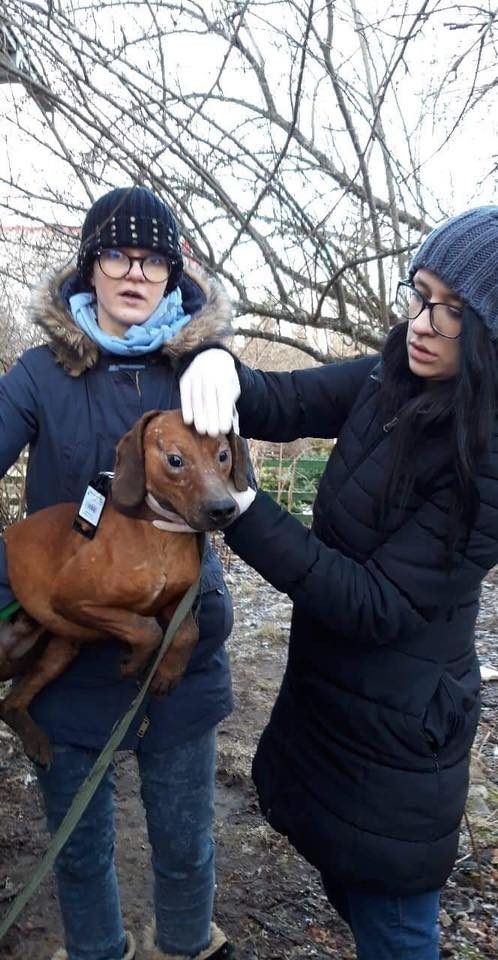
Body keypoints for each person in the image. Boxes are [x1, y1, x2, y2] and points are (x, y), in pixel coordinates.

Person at [179, 206, 498, 960]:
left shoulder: (486, 454)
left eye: (454, 311)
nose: (423, 322)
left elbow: (376, 603)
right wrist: (219, 363)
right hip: (338, 706)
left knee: (395, 924)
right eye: (420, 294)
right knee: (353, 891)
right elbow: (285, 402)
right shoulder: (391, 379)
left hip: (397, 732)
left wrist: (242, 513)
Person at [0, 186, 236, 960]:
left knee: (187, 846)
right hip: (72, 655)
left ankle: (187, 947)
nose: (136, 271)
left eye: (155, 258)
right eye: (118, 253)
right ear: (90, 266)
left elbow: (241, 495)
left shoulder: (205, 374)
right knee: (78, 847)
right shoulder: (38, 376)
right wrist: (17, 594)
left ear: (173, 273)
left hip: (179, 653)